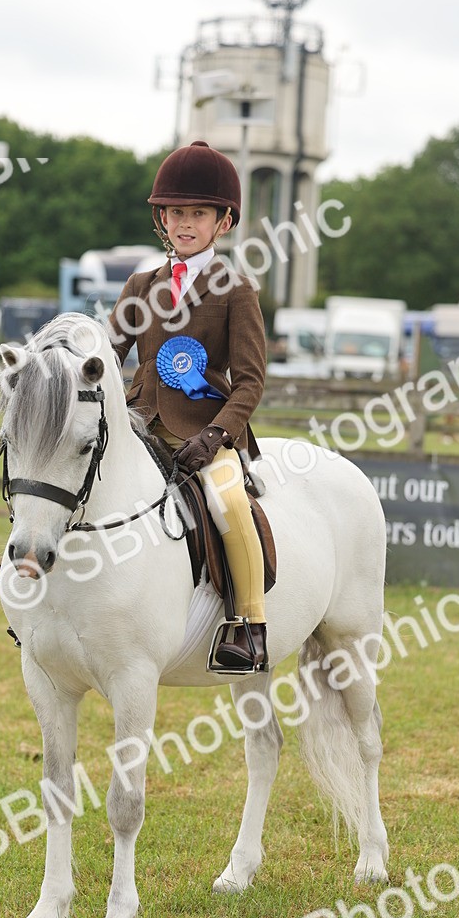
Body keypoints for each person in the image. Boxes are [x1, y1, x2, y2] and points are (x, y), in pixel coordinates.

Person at [107, 140, 268, 672]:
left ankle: (248, 624)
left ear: (223, 222)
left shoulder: (237, 290)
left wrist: (217, 437)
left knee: (229, 503)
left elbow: (248, 382)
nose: (184, 223)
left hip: (202, 431)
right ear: (162, 218)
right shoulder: (140, 285)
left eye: (197, 213)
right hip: (139, 423)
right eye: (176, 212)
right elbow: (107, 357)